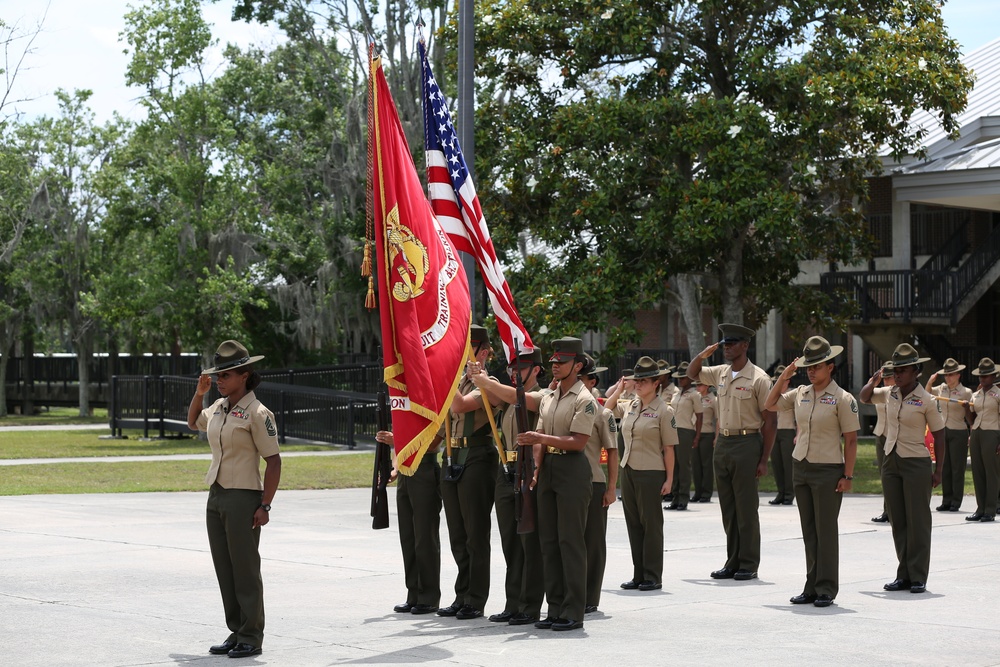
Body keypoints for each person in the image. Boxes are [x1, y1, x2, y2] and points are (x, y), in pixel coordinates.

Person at [186, 340, 281, 659]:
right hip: (216, 495)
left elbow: (274, 461)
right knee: (225, 567)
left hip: (244, 497)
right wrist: (200, 393)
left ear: (244, 375)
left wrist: (265, 505)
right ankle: (237, 629)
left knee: (245, 568)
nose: (220, 380)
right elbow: (192, 421)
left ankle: (252, 636)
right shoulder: (219, 407)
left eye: (225, 375)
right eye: (218, 375)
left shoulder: (258, 412)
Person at [765, 337, 859, 608]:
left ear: (830, 366)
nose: (811, 371)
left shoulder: (843, 398)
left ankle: (827, 587)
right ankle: (811, 586)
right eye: (808, 366)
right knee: (809, 531)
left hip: (828, 469)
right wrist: (784, 376)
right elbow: (770, 404)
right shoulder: (800, 393)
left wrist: (848, 476)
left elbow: (851, 440)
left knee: (825, 531)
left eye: (817, 366)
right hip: (802, 467)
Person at [517, 336, 598, 631]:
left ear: (578, 365)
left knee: (570, 541)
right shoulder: (549, 397)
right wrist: (536, 467)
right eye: (553, 362)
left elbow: (578, 442)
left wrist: (541, 440)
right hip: (549, 467)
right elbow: (539, 435)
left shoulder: (584, 399)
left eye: (562, 362)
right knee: (548, 542)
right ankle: (554, 607)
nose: (555, 366)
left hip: (572, 469)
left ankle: (573, 610)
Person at [688, 323, 776, 581]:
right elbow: (693, 373)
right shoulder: (720, 373)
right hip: (724, 444)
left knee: (746, 508)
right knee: (728, 507)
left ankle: (748, 563)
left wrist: (763, 459)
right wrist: (703, 355)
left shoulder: (759, 378)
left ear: (745, 345)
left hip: (747, 444)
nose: (727, 348)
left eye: (732, 343)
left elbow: (770, 421)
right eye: (725, 344)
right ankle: (733, 561)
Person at [469, 347, 546, 626]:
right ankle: (513, 602)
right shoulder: (508, 397)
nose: (514, 372)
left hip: (529, 470)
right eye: (511, 368)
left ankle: (530, 604)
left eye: (520, 368)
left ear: (536, 370)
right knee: (510, 543)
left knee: (529, 542)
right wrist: (478, 374)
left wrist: (487, 381)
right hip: (507, 469)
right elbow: (488, 397)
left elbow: (520, 398)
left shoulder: (543, 395)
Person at [860, 343, 945, 594]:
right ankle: (904, 574)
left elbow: (939, 436)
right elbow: (864, 397)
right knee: (898, 520)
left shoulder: (927, 400)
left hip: (916, 462)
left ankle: (918, 575)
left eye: (903, 370)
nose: (897, 374)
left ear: (916, 371)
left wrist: (938, 470)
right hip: (891, 461)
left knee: (917, 520)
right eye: (895, 369)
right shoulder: (889, 393)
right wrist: (874, 380)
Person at [437, 324, 500, 620]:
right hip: (453, 455)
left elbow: (460, 407)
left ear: (484, 351)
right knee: (457, 534)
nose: (460, 355)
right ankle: (462, 594)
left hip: (477, 455)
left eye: (467, 349)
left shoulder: (488, 383)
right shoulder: (459, 381)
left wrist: (443, 377)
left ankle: (476, 598)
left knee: (475, 533)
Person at [618, 356, 677, 592]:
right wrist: (621, 387)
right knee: (634, 524)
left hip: (651, 472)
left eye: (644, 380)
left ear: (656, 383)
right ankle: (638, 573)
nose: (638, 384)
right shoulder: (631, 405)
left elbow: (669, 448)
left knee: (651, 525)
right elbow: (606, 408)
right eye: (637, 380)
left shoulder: (664, 411)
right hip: (629, 470)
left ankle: (653, 575)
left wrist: (670, 479)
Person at [379, 430, 442, 616]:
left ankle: (428, 597)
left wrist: (398, 438)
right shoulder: (404, 406)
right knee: (408, 538)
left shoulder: (430, 404)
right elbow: (400, 451)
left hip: (424, 468)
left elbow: (432, 443)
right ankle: (413, 593)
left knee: (424, 537)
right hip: (405, 471)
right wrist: (395, 469)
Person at [579, 354, 619, 613]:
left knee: (592, 542)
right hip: (567, 482)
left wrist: (612, 488)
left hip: (593, 482)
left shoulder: (603, 413)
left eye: (580, 378)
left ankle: (590, 597)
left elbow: (612, 451)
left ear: (592, 381)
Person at [925, 358, 972, 512]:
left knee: (957, 468)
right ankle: (946, 500)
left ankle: (956, 501)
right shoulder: (941, 388)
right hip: (943, 429)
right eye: (946, 375)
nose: (948, 378)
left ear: (958, 375)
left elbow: (971, 415)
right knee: (944, 466)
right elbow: (926, 394)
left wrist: (971, 433)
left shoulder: (966, 392)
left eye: (951, 374)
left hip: (958, 430)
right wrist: (931, 382)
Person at [964, 358, 1000, 522]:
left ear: (994, 376)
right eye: (981, 376)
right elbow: (971, 419)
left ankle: (990, 510)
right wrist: (966, 408)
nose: (983, 379)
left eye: (986, 376)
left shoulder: (998, 394)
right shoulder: (975, 394)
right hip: (977, 432)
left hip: (992, 433)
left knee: (991, 472)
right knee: (977, 472)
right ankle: (980, 508)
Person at [667, 361, 702, 510]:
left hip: (685, 430)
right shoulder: (676, 393)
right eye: (679, 378)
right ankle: (674, 497)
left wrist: (697, 436)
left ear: (690, 379)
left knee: (683, 465)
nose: (681, 380)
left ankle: (683, 498)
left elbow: (700, 416)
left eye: (684, 378)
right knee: (673, 465)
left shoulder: (694, 395)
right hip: (672, 430)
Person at [768, 365, 796, 506]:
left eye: (783, 380)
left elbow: (799, 417)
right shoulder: (773, 395)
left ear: (788, 381)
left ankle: (789, 494)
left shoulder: (793, 395)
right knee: (776, 464)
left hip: (788, 432)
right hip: (775, 432)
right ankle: (780, 493)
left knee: (787, 464)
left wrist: (799, 433)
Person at [870, 363, 895, 523]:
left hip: (894, 436)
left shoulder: (899, 393)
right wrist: (873, 381)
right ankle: (887, 511)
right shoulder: (880, 393)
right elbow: (865, 395)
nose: (886, 381)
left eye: (889, 378)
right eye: (884, 379)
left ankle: (893, 511)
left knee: (892, 475)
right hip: (880, 434)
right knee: (883, 475)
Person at [692, 382, 717, 503]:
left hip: (707, 433)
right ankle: (698, 492)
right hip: (694, 433)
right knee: (695, 465)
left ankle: (706, 493)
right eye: (696, 385)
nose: (698, 387)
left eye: (700, 385)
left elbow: (718, 419)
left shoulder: (713, 400)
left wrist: (717, 437)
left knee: (706, 465)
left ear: (707, 386)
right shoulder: (694, 397)